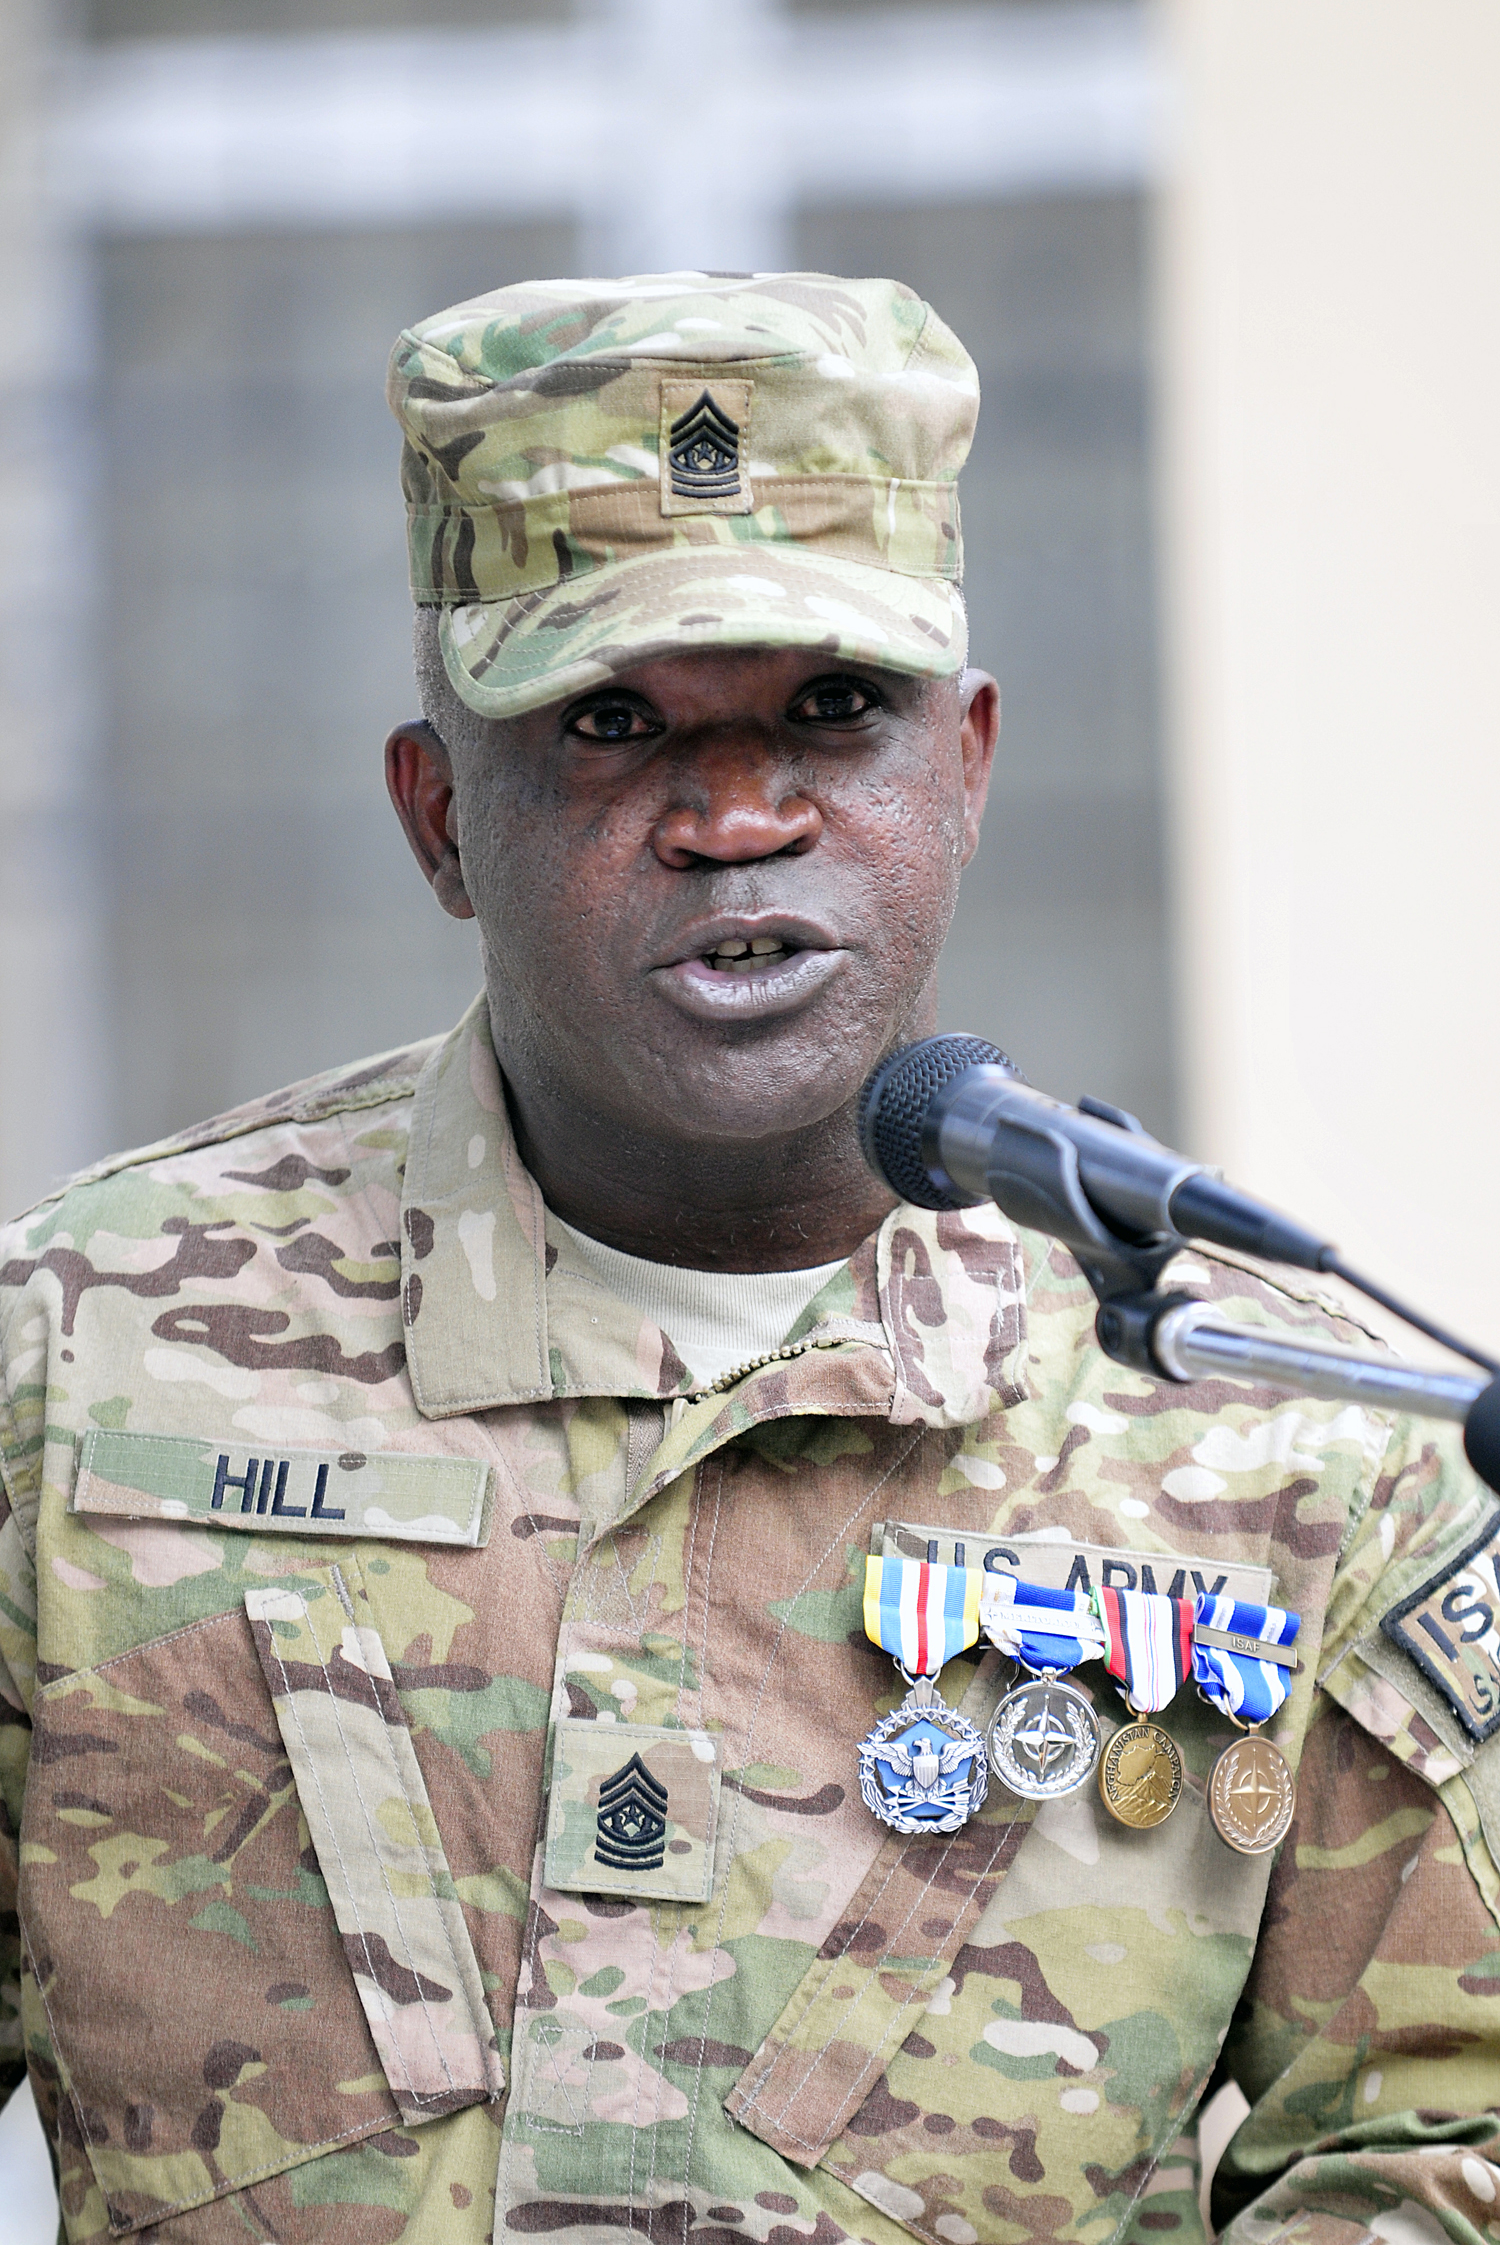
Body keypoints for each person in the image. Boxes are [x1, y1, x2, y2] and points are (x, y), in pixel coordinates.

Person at [0, 271, 1497, 2245]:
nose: (735, 812)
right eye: (612, 722)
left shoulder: (1286, 1428)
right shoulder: (73, 1371)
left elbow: (1443, 2150)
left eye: (834, 709)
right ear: (441, 813)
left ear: (963, 769)